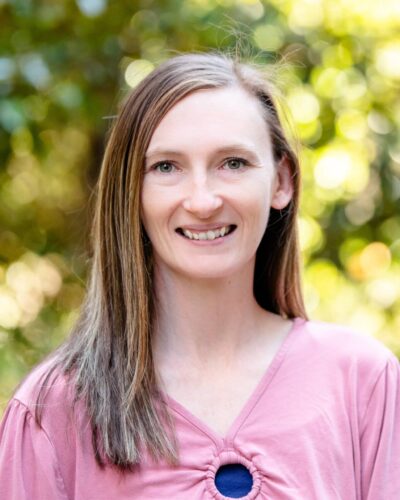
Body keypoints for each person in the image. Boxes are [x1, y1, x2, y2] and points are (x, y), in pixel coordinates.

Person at [0, 52, 399, 500]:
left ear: (281, 181)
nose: (203, 200)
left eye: (233, 163)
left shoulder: (363, 380)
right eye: (166, 167)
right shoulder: (53, 408)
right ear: (131, 192)